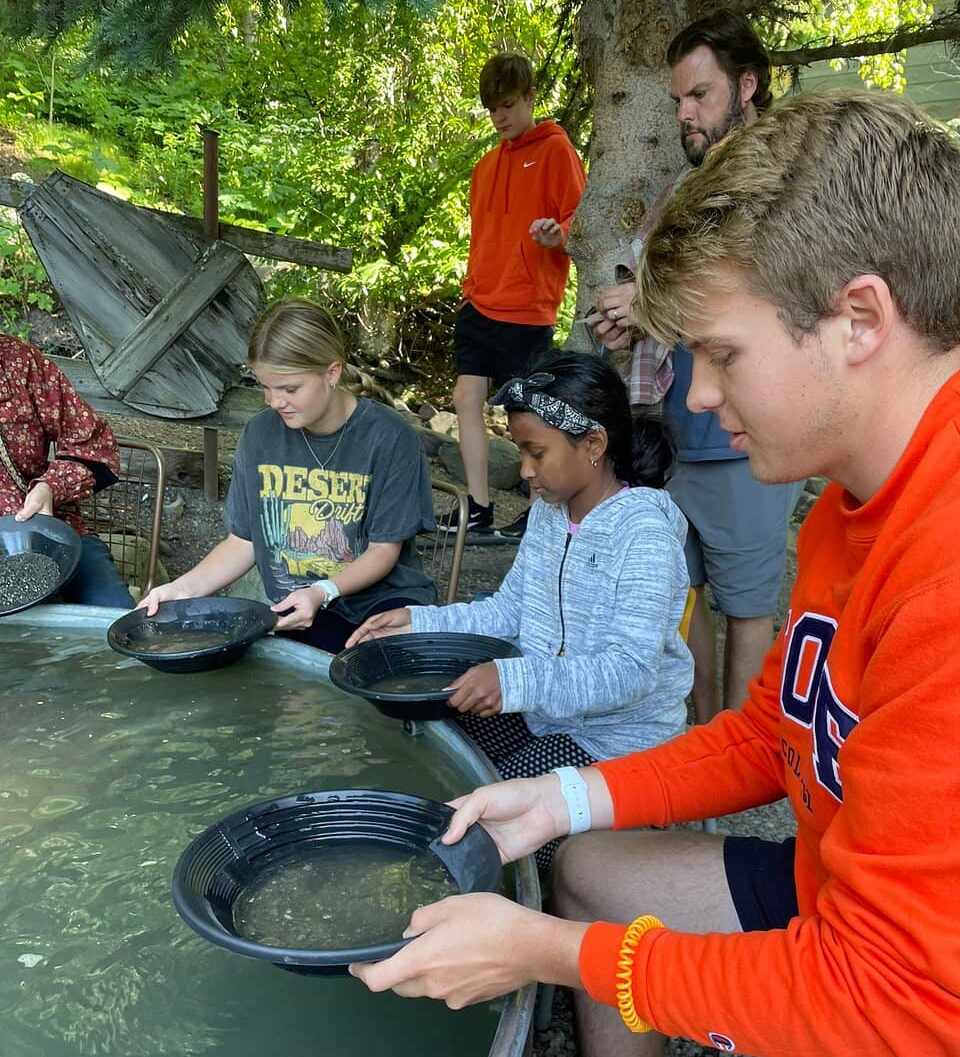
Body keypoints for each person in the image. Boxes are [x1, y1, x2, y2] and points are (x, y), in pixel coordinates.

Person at [349, 90, 960, 1057]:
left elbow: (887, 993)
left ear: (859, 318)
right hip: (869, 920)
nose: (700, 398)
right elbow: (771, 733)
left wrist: (544, 953)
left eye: (722, 355)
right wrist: (567, 798)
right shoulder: (849, 504)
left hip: (922, 1010)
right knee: (587, 860)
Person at [349, 351, 691, 865]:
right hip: (544, 714)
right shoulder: (550, 515)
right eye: (519, 451)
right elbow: (511, 610)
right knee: (428, 749)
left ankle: (527, 906)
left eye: (536, 453)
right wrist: (420, 623)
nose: (526, 471)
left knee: (483, 823)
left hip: (616, 745)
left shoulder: (644, 534)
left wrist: (513, 682)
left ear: (594, 444)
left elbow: (631, 671)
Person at [591, 10, 799, 723]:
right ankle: (704, 734)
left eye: (700, 96)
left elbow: (761, 292)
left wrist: (646, 300)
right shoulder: (686, 189)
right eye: (678, 99)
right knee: (685, 591)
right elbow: (665, 308)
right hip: (672, 429)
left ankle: (743, 756)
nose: (685, 113)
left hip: (748, 430)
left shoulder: (782, 176)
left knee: (746, 604)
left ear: (748, 85)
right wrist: (624, 318)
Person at [141, 298, 436, 651]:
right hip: (295, 609)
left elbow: (384, 551)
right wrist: (179, 590)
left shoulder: (389, 435)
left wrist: (323, 591)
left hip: (379, 607)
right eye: (265, 387)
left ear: (332, 373)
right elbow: (244, 542)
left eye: (289, 389)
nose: (274, 401)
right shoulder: (260, 434)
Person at [437, 52, 586, 537]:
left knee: (529, 417)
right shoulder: (484, 168)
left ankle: (540, 512)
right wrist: (471, 284)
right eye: (491, 109)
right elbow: (482, 238)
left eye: (506, 105)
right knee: (465, 397)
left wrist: (555, 236)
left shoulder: (557, 151)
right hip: (480, 302)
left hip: (527, 308)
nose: (499, 117)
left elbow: (580, 225)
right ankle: (477, 510)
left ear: (530, 98)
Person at [0, 334, 133, 608]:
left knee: (114, 621)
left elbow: (94, 445)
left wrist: (50, 486)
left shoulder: (19, 361)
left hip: (51, 532)